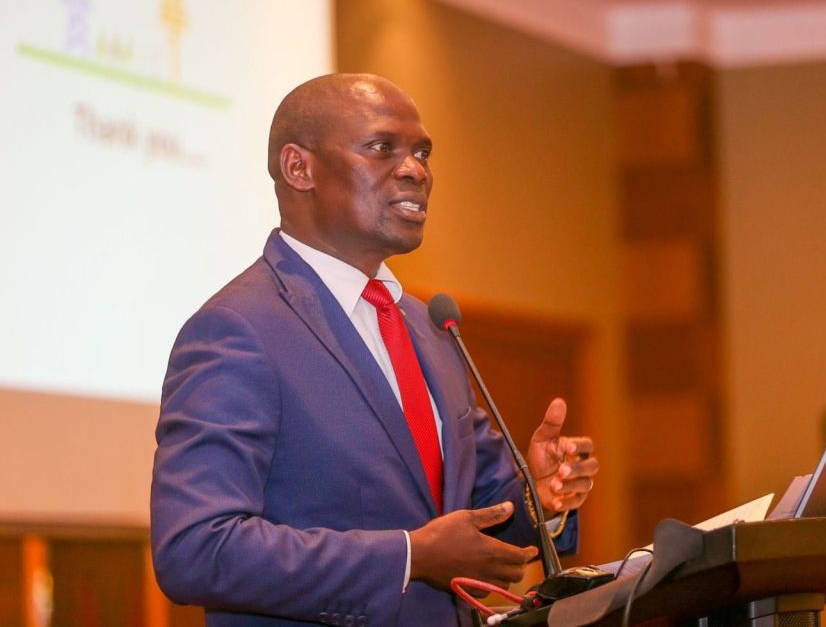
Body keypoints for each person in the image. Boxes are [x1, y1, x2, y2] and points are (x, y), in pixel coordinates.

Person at [150, 73, 599, 626]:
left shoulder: (430, 326)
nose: (415, 170)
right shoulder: (239, 329)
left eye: (423, 153)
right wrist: (409, 557)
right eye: (382, 147)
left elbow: (473, 515)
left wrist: (538, 498)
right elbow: (196, 550)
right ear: (299, 168)